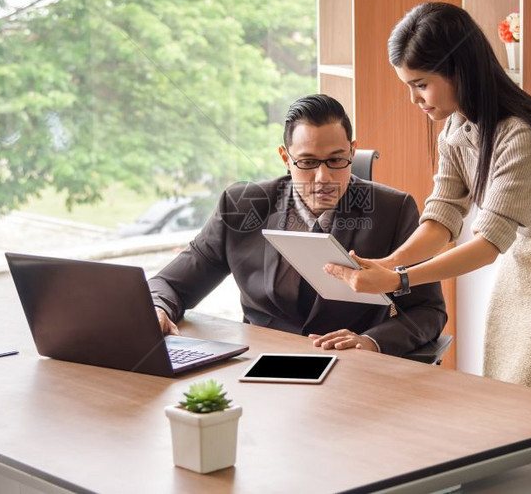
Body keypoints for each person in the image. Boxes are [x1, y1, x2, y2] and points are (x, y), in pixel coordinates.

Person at [325, 2, 531, 390]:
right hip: (523, 258)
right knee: (504, 386)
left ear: (459, 69)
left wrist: (399, 281)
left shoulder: (523, 134)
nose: (415, 100)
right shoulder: (455, 128)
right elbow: (443, 216)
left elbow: (487, 245)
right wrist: (391, 264)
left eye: (421, 84)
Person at [148, 94, 446, 357]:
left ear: (352, 152)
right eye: (307, 162)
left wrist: (370, 342)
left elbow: (427, 310)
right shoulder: (241, 205)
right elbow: (170, 284)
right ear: (285, 158)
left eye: (336, 160)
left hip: (349, 368)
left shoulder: (393, 211)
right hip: (258, 362)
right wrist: (158, 308)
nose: (323, 178)